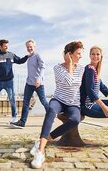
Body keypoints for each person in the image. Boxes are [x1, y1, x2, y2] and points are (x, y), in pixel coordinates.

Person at [30, 41, 85, 169]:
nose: (81, 56)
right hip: (58, 99)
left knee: (75, 119)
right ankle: (40, 151)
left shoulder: (82, 68)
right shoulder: (58, 68)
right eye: (78, 54)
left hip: (73, 103)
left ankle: (44, 139)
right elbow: (69, 81)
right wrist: (70, 64)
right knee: (50, 110)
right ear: (69, 55)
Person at [0, 39, 29, 124]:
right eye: (5, 45)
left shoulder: (11, 55)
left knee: (12, 99)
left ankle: (14, 117)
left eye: (7, 45)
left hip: (9, 82)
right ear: (0, 46)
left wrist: (26, 57)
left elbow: (20, 61)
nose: (7, 47)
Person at [10, 39, 49, 129]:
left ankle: (51, 116)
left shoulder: (38, 55)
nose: (29, 48)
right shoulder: (29, 57)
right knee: (26, 102)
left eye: (30, 46)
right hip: (29, 83)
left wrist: (39, 79)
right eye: (27, 47)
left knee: (43, 101)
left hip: (38, 83)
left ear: (34, 46)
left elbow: (43, 67)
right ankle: (22, 122)